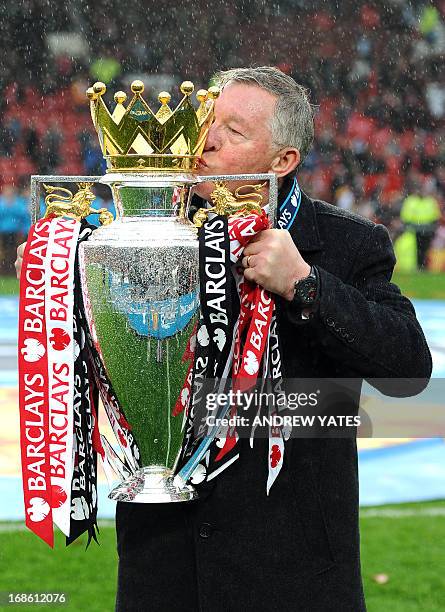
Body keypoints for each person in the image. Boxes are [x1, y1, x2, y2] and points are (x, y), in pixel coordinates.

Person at [16, 67, 432, 612]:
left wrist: (306, 286)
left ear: (283, 160)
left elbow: (408, 370)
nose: (205, 140)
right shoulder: (133, 237)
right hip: (162, 564)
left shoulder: (343, 242)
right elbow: (109, 374)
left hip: (292, 568)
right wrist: (61, 288)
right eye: (205, 123)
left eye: (233, 132)